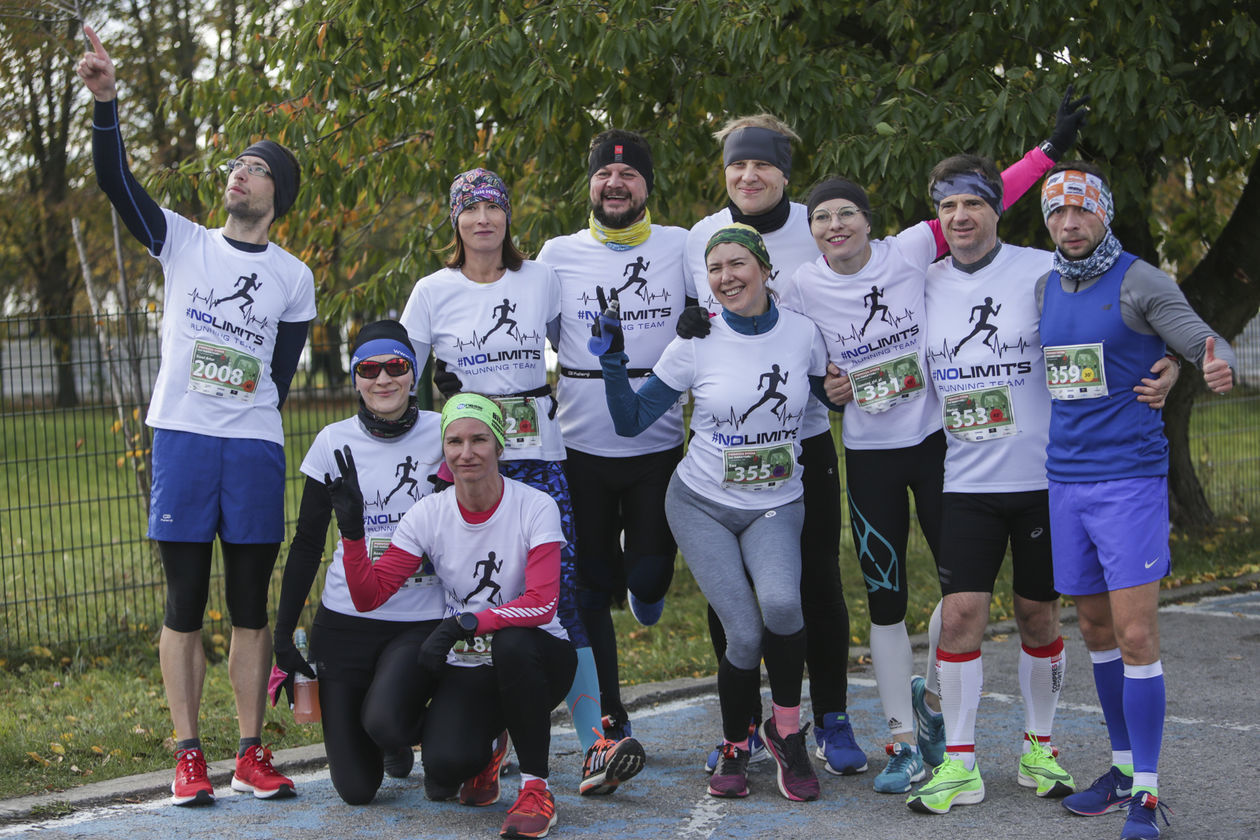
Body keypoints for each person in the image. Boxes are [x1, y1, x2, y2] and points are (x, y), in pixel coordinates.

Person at [77, 24, 314, 805]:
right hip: (182, 440)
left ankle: (249, 751)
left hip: (252, 449)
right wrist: (106, 101)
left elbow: (278, 377)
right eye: (237, 164)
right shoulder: (182, 241)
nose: (240, 174)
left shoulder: (294, 277)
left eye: (257, 168)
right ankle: (188, 755)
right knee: (183, 603)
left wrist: (241, 407)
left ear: (277, 193)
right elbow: (115, 180)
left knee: (250, 606)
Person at [906, 154, 1177, 817]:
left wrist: (1170, 362)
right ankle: (959, 763)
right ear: (937, 217)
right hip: (966, 480)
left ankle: (1039, 748)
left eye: (974, 203)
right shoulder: (922, 280)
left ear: (998, 208)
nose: (961, 216)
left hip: (1047, 480)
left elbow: (1125, 318)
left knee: (1038, 616)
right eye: (948, 206)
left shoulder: (1043, 268)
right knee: (960, 615)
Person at [1037, 162, 1234, 840]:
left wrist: (1201, 362)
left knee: (1137, 635)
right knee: (1094, 631)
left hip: (1129, 480)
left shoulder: (1140, 280)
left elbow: (1201, 337)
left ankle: (1147, 792)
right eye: (1057, 213)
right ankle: (1121, 769)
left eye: (1082, 211)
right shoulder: (1044, 284)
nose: (1070, 224)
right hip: (1065, 480)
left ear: (1104, 214)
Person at [600, 223, 828, 802]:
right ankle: (734, 744)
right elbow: (631, 420)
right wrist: (612, 360)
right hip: (700, 504)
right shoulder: (696, 341)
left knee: (782, 604)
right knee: (744, 632)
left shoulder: (803, 334)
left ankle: (786, 734)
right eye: (715, 269)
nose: (726, 277)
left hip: (775, 503)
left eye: (737, 264)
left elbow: (829, 394)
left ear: (764, 269)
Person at [398, 169, 605, 794]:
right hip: (469, 463)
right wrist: (436, 394)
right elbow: (400, 375)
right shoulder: (432, 290)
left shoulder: (540, 278)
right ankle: (491, 745)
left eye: (493, 207)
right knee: (479, 596)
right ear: (455, 221)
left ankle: (596, 744)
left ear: (508, 217)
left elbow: (580, 350)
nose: (483, 219)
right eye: (471, 209)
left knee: (557, 600)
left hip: (538, 459)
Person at [680, 114, 864, 779]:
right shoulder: (700, 235)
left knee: (814, 581)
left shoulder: (818, 226)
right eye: (737, 165)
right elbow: (697, 326)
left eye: (762, 164)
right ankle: (745, 729)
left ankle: (832, 717)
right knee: (729, 594)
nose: (748, 176)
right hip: (727, 450)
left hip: (803, 439)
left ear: (785, 173)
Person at [326, 393, 577, 839]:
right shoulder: (429, 513)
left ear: (499, 445)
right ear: (443, 449)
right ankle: (491, 741)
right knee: (444, 765)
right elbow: (369, 596)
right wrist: (352, 533)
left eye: (479, 439)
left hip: (540, 656)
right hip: (470, 663)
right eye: (455, 442)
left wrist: (467, 622)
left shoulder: (536, 506)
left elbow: (543, 603)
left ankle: (536, 788)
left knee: (513, 642)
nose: (466, 452)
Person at [536, 129, 689, 790]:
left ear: (647, 185)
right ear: (591, 185)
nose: (615, 184)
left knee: (648, 576)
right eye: (604, 175)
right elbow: (536, 333)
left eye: (628, 175)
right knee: (591, 588)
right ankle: (612, 716)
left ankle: (646, 594)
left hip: (657, 445)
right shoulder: (557, 254)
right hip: (581, 448)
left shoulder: (681, 245)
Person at [270, 321, 445, 805]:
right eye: (369, 369)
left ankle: (445, 729)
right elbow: (307, 543)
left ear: (413, 373)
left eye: (396, 366)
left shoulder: (444, 431)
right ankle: (390, 741)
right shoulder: (332, 441)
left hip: (420, 618)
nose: (383, 379)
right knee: (356, 790)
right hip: (346, 620)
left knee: (386, 720)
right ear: (355, 379)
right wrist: (283, 636)